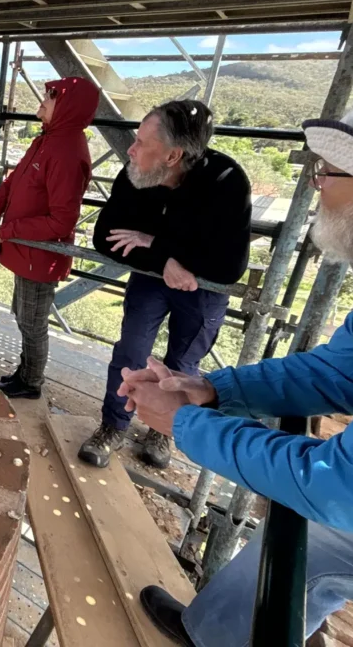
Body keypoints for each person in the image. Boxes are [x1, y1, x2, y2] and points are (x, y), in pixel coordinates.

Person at [119, 65, 353, 647]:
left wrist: (184, 421)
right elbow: (337, 369)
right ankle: (212, 634)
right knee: (306, 545)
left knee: (320, 522)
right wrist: (214, 391)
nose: (316, 185)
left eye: (331, 172)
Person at [80, 100, 251, 469]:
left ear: (173, 156)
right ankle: (113, 425)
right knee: (130, 352)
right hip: (153, 277)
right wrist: (164, 260)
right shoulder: (136, 173)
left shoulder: (226, 180)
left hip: (204, 290)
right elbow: (104, 237)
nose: (131, 148)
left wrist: (155, 244)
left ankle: (165, 430)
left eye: (141, 141)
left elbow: (228, 266)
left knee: (184, 364)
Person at [0, 77, 100, 399]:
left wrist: (8, 230)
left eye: (51, 97)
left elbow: (61, 221)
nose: (43, 101)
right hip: (27, 251)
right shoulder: (47, 141)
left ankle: (30, 383)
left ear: (69, 107)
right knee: (24, 316)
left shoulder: (67, 152)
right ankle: (24, 373)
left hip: (40, 254)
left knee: (32, 323)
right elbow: (12, 185)